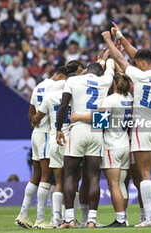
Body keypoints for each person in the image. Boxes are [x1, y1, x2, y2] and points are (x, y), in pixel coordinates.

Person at [102, 30, 151, 227]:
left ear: (142, 63)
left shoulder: (138, 75)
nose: (136, 64)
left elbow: (119, 57)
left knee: (145, 173)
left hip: (142, 128)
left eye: (137, 62)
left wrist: (110, 40)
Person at [14, 65, 76, 229]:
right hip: (49, 134)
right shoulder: (59, 89)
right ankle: (40, 218)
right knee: (48, 177)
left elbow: (31, 114)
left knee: (37, 176)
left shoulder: (39, 86)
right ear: (63, 78)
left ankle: (24, 214)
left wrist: (36, 130)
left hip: (37, 134)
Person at [56, 58, 114, 228]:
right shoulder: (104, 81)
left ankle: (69, 219)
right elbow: (110, 66)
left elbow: (64, 105)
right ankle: (91, 220)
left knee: (69, 174)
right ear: (99, 72)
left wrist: (59, 128)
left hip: (78, 129)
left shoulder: (73, 80)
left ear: (87, 70)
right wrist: (107, 58)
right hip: (96, 130)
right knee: (94, 176)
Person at [70, 73, 134, 227]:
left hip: (112, 145)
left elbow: (99, 122)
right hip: (125, 143)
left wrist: (78, 117)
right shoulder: (130, 98)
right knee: (121, 184)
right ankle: (124, 218)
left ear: (114, 84)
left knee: (113, 184)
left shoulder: (110, 100)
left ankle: (120, 220)